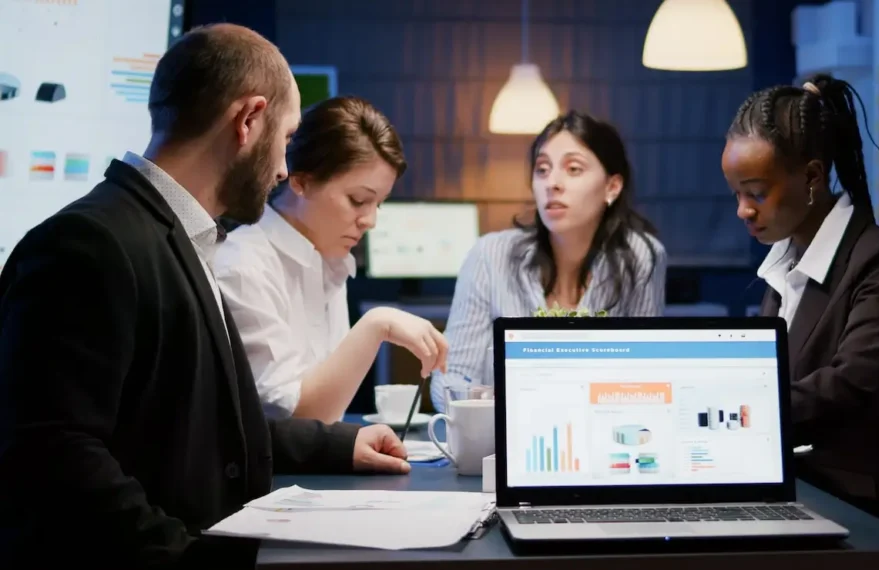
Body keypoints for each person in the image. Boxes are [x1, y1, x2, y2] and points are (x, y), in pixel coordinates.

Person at [0, 24, 413, 567]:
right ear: (248, 121)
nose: (285, 169)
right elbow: (56, 459)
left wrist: (335, 446)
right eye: (285, 140)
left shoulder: (178, 236)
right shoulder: (88, 243)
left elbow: (200, 423)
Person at [721, 73, 879, 539]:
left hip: (865, 509)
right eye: (736, 193)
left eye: (756, 193)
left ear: (813, 177)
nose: (743, 209)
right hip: (802, 492)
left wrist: (734, 409)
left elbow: (851, 387)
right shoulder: (786, 260)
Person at [213, 96, 448, 424]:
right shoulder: (241, 267)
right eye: (358, 200)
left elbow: (326, 420)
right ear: (301, 182)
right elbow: (293, 422)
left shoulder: (330, 260)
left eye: (377, 204)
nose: (370, 221)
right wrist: (376, 324)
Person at [430, 111, 666, 411]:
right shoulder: (490, 256)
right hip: (499, 442)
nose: (552, 182)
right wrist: (502, 408)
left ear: (612, 187)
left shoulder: (641, 257)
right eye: (542, 169)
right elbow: (450, 380)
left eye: (573, 169)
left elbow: (646, 377)